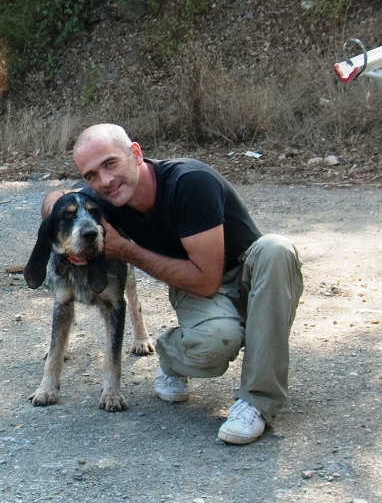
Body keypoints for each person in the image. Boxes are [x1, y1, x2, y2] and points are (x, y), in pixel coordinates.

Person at [41, 123, 303, 445]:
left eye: (110, 163)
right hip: (195, 289)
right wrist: (61, 232)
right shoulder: (106, 199)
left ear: (135, 153)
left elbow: (206, 279)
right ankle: (171, 358)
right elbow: (57, 199)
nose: (104, 180)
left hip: (244, 274)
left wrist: (126, 250)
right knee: (219, 339)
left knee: (276, 249)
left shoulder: (189, 182)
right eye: (91, 175)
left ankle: (256, 402)